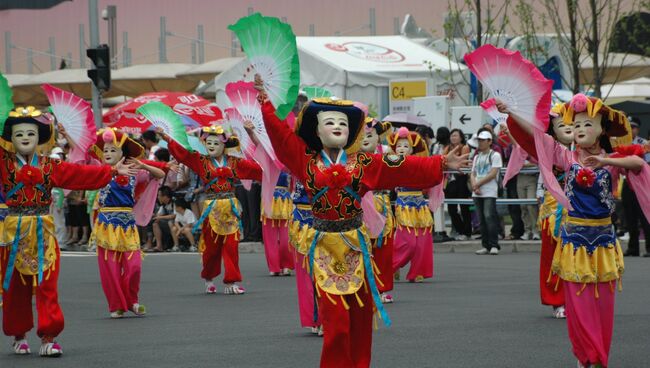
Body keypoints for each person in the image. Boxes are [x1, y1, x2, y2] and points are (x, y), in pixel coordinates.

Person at [258, 87, 469, 367]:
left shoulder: (365, 163)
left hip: (356, 247)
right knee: (335, 322)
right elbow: (280, 137)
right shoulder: (305, 160)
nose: (337, 127)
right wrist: (266, 103)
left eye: (343, 123)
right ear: (317, 132)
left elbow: (403, 165)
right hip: (324, 249)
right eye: (329, 122)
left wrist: (441, 161)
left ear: (350, 133)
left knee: (360, 318)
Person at [502, 94, 646, 368]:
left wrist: (608, 163)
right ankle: (585, 355)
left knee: (603, 304)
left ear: (602, 129)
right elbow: (536, 135)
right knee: (579, 304)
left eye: (587, 124)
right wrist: (511, 111)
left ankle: (599, 354)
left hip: (603, 242)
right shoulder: (566, 157)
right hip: (575, 241)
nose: (580, 130)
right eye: (576, 125)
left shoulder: (611, 158)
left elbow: (639, 164)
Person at [0, 106, 138, 357]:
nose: (25, 138)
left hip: (43, 230)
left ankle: (49, 336)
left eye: (30, 133)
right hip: (13, 232)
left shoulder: (51, 166)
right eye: (19, 134)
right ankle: (18, 334)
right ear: (10, 138)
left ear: (40, 137)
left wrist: (111, 171)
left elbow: (79, 174)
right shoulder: (3, 164)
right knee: (15, 287)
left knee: (47, 285)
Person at [161, 124, 262, 295]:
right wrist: (168, 139)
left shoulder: (234, 162)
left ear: (224, 146)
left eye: (216, 143)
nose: (212, 146)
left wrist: (257, 146)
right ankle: (208, 277)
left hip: (231, 209)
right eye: (209, 143)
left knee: (231, 247)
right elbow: (183, 155)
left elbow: (258, 170)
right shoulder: (201, 161)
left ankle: (231, 281)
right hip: (212, 209)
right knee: (212, 249)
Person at [89, 128, 166, 318]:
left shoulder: (134, 172)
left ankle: (132, 301)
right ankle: (117, 305)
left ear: (123, 153)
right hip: (106, 224)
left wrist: (144, 166)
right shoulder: (99, 171)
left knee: (134, 266)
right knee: (111, 270)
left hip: (128, 224)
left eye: (113, 150)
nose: (108, 153)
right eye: (105, 150)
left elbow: (160, 175)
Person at [389, 127, 435, 283]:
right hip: (404, 205)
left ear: (411, 149)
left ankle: (418, 271)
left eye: (405, 146)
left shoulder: (419, 163)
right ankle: (392, 266)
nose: (402, 149)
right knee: (408, 242)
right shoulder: (392, 165)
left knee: (423, 241)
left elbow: (429, 181)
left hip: (420, 204)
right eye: (399, 146)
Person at [360, 118, 395, 302]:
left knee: (383, 249)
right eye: (362, 135)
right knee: (364, 248)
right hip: (362, 206)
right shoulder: (352, 157)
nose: (366, 139)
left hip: (381, 202)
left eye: (370, 135)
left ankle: (381, 289)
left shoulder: (386, 153)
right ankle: (365, 287)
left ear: (378, 137)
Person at [470, 129, 503, 255]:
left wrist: (477, 184)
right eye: (479, 140)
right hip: (477, 191)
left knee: (489, 217)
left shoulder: (495, 155)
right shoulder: (477, 156)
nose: (480, 142)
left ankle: (494, 244)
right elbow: (473, 173)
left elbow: (493, 173)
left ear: (490, 141)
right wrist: (474, 185)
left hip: (489, 191)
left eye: (483, 140)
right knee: (481, 219)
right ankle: (486, 245)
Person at [622, 116, 650, 257]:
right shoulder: (621, 143)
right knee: (630, 217)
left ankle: (649, 248)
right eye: (628, 127)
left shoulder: (644, 144)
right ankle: (633, 248)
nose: (631, 130)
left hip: (641, 184)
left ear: (638, 129)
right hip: (627, 183)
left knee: (645, 216)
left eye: (633, 127)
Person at [443, 128, 472, 240]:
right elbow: (443, 161)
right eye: (452, 135)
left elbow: (462, 163)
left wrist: (449, 163)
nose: (453, 137)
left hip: (461, 179)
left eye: (455, 135)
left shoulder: (464, 147)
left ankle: (467, 232)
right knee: (451, 208)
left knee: (464, 206)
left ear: (461, 137)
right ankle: (460, 230)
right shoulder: (447, 148)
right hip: (450, 181)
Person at [150, 186, 175, 252]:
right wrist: (154, 216)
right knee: (155, 223)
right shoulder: (163, 205)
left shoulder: (174, 202)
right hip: (169, 224)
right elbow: (159, 215)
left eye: (159, 195)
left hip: (178, 224)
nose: (158, 197)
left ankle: (176, 245)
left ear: (165, 196)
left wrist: (160, 217)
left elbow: (174, 215)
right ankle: (159, 246)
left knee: (169, 222)